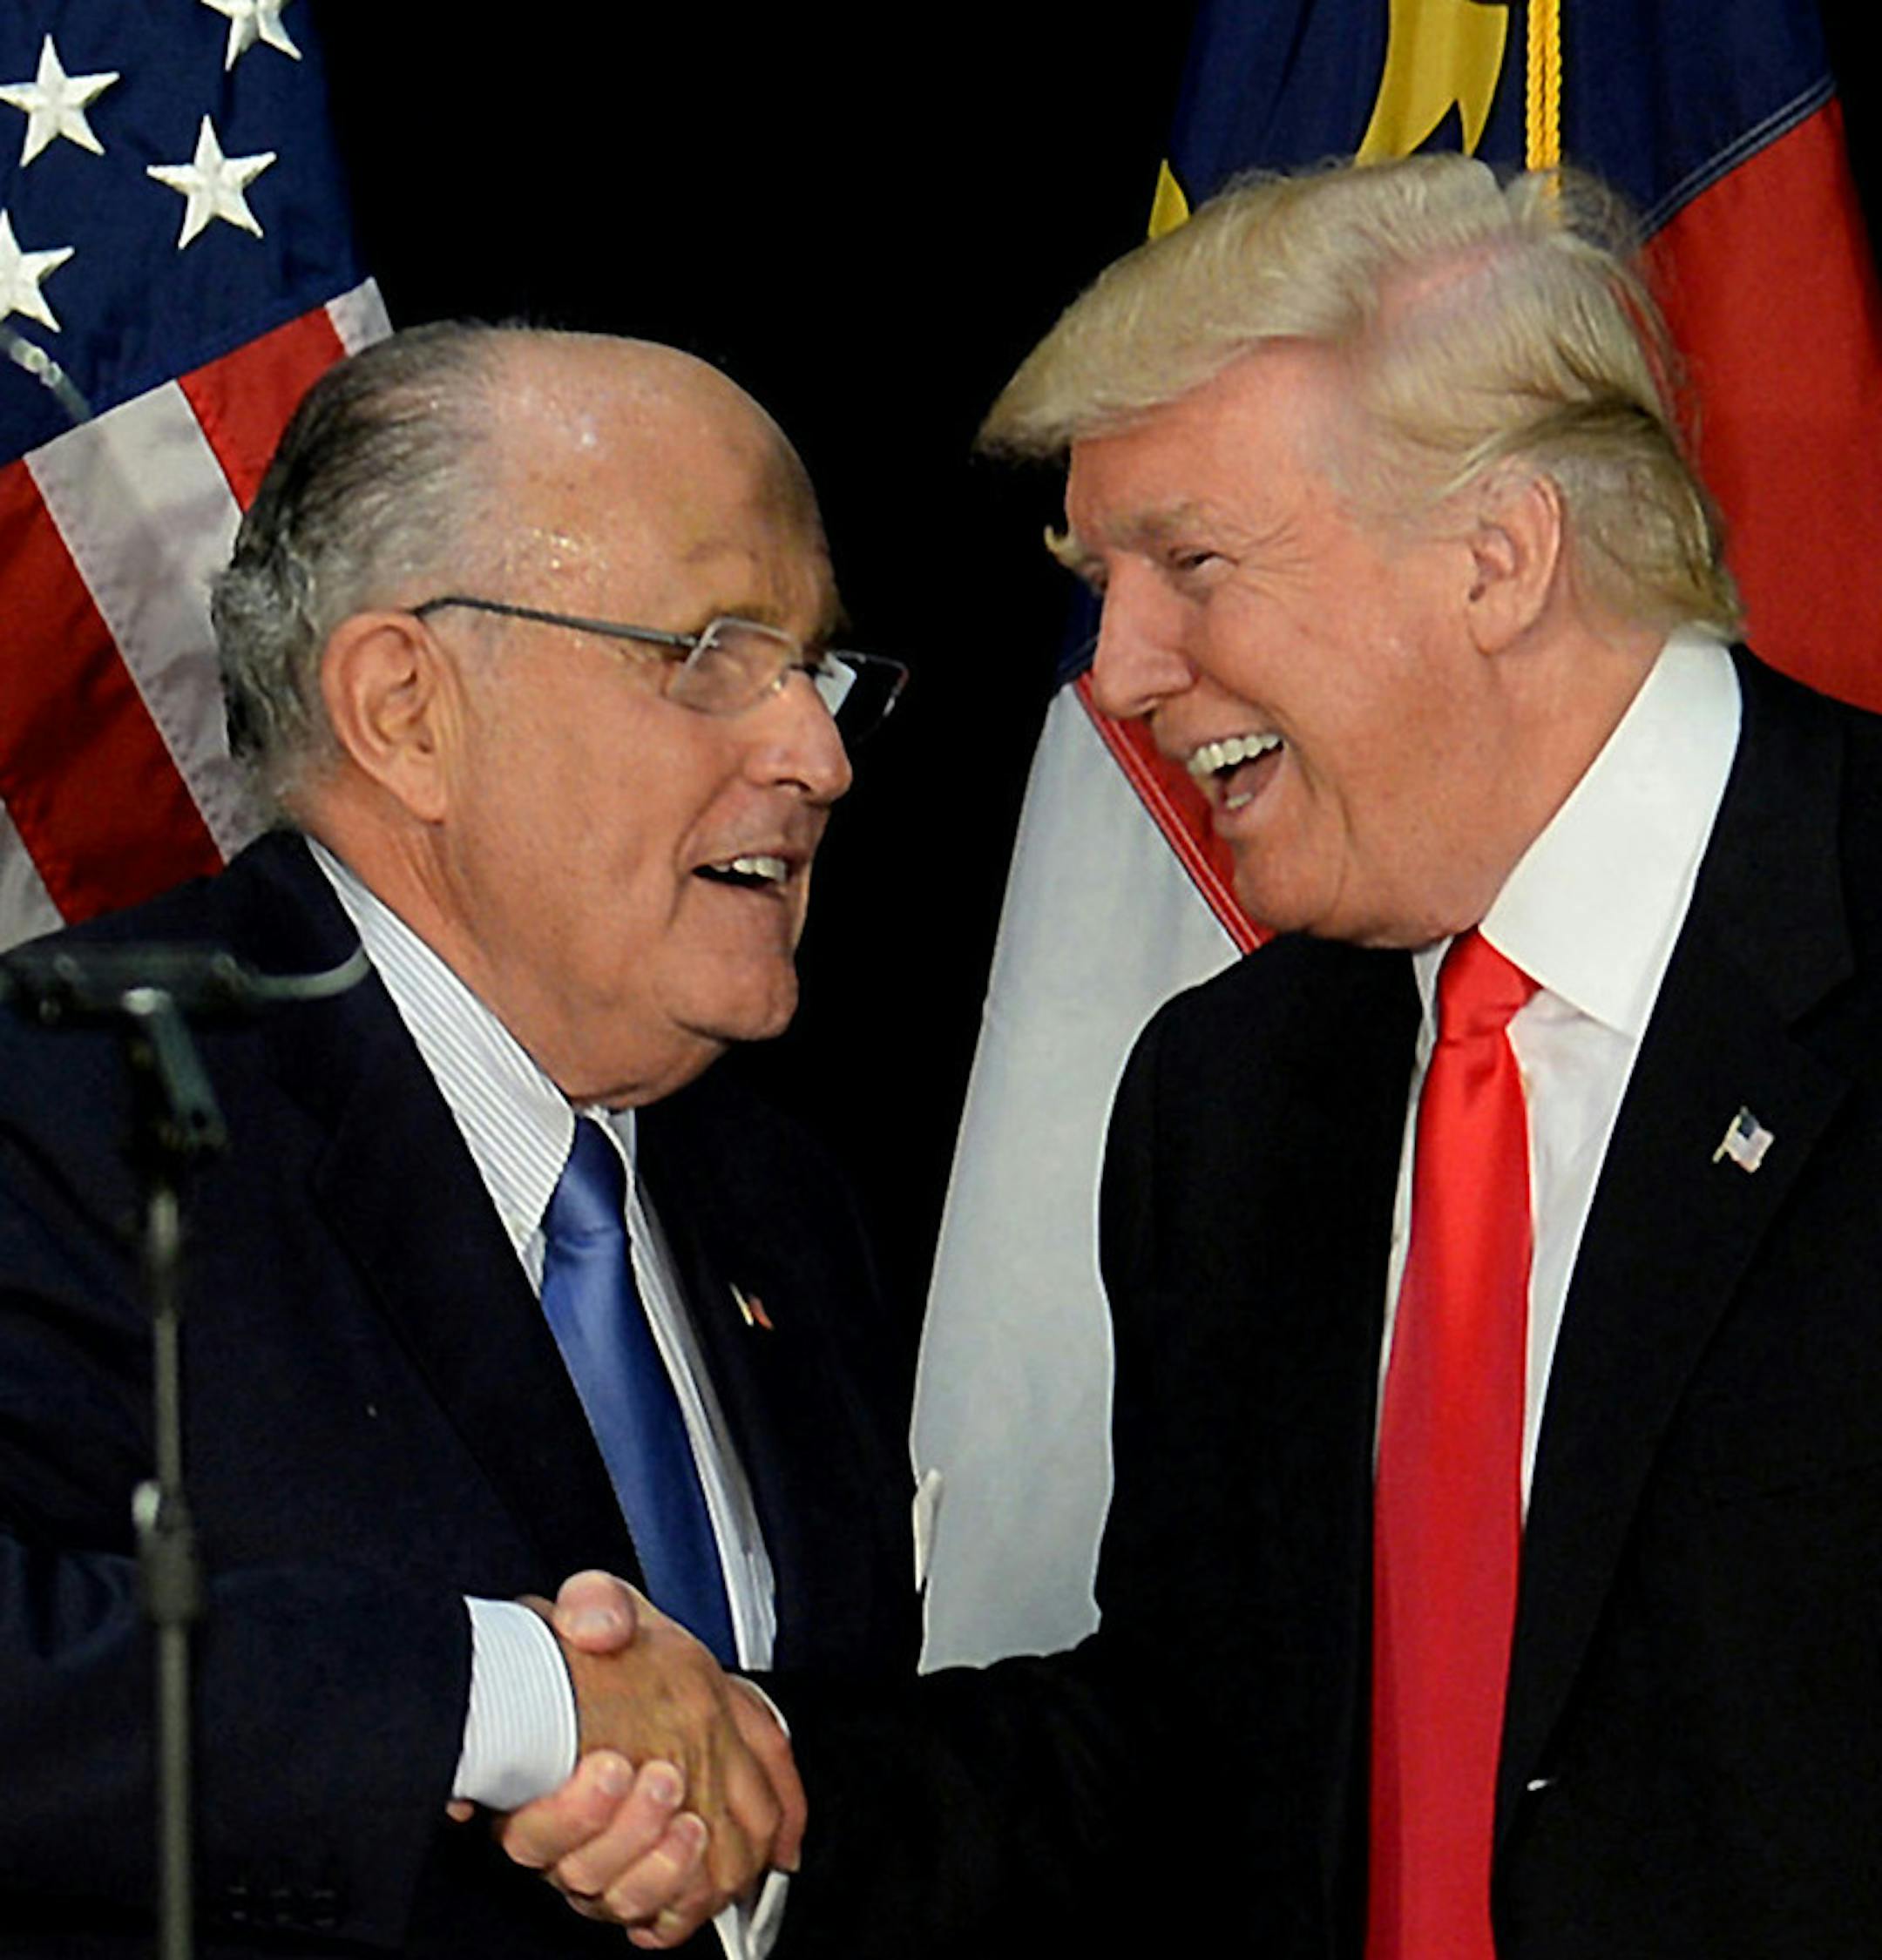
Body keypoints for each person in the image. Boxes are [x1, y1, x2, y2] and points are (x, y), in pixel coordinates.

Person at [515, 154, 1882, 1957]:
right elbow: (1191, 1751)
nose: (1127, 668)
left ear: (1501, 554)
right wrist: (756, 1779)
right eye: (1105, 577)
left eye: (1190, 562)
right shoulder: (1232, 1093)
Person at [0, 322, 917, 1957]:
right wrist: (511, 1696)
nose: (819, 755)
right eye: (713, 652)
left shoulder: (780, 1199)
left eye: (820, 668)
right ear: (407, 710)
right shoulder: (71, 1100)